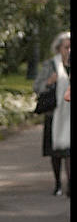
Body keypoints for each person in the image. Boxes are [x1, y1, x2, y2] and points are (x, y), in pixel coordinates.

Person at [34, 31, 70, 196]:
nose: (69, 51)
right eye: (66, 47)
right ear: (58, 49)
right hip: (54, 114)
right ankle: (58, 184)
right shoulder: (50, 65)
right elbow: (37, 87)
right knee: (56, 153)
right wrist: (49, 82)